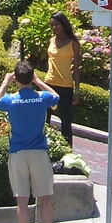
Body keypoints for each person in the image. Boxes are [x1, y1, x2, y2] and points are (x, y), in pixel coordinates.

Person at [0, 61, 62, 223]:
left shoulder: (11, 100)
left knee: (22, 201)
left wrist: (5, 83)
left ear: (16, 79)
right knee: (45, 199)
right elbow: (56, 97)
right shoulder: (41, 98)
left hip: (17, 153)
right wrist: (39, 82)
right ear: (31, 78)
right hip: (39, 152)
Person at [44, 13, 81, 147]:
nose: (54, 28)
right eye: (52, 25)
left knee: (66, 120)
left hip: (65, 85)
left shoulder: (73, 43)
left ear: (64, 25)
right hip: (49, 83)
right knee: (45, 119)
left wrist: (77, 90)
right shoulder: (51, 40)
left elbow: (76, 68)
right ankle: (47, 146)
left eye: (57, 25)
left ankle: (67, 150)